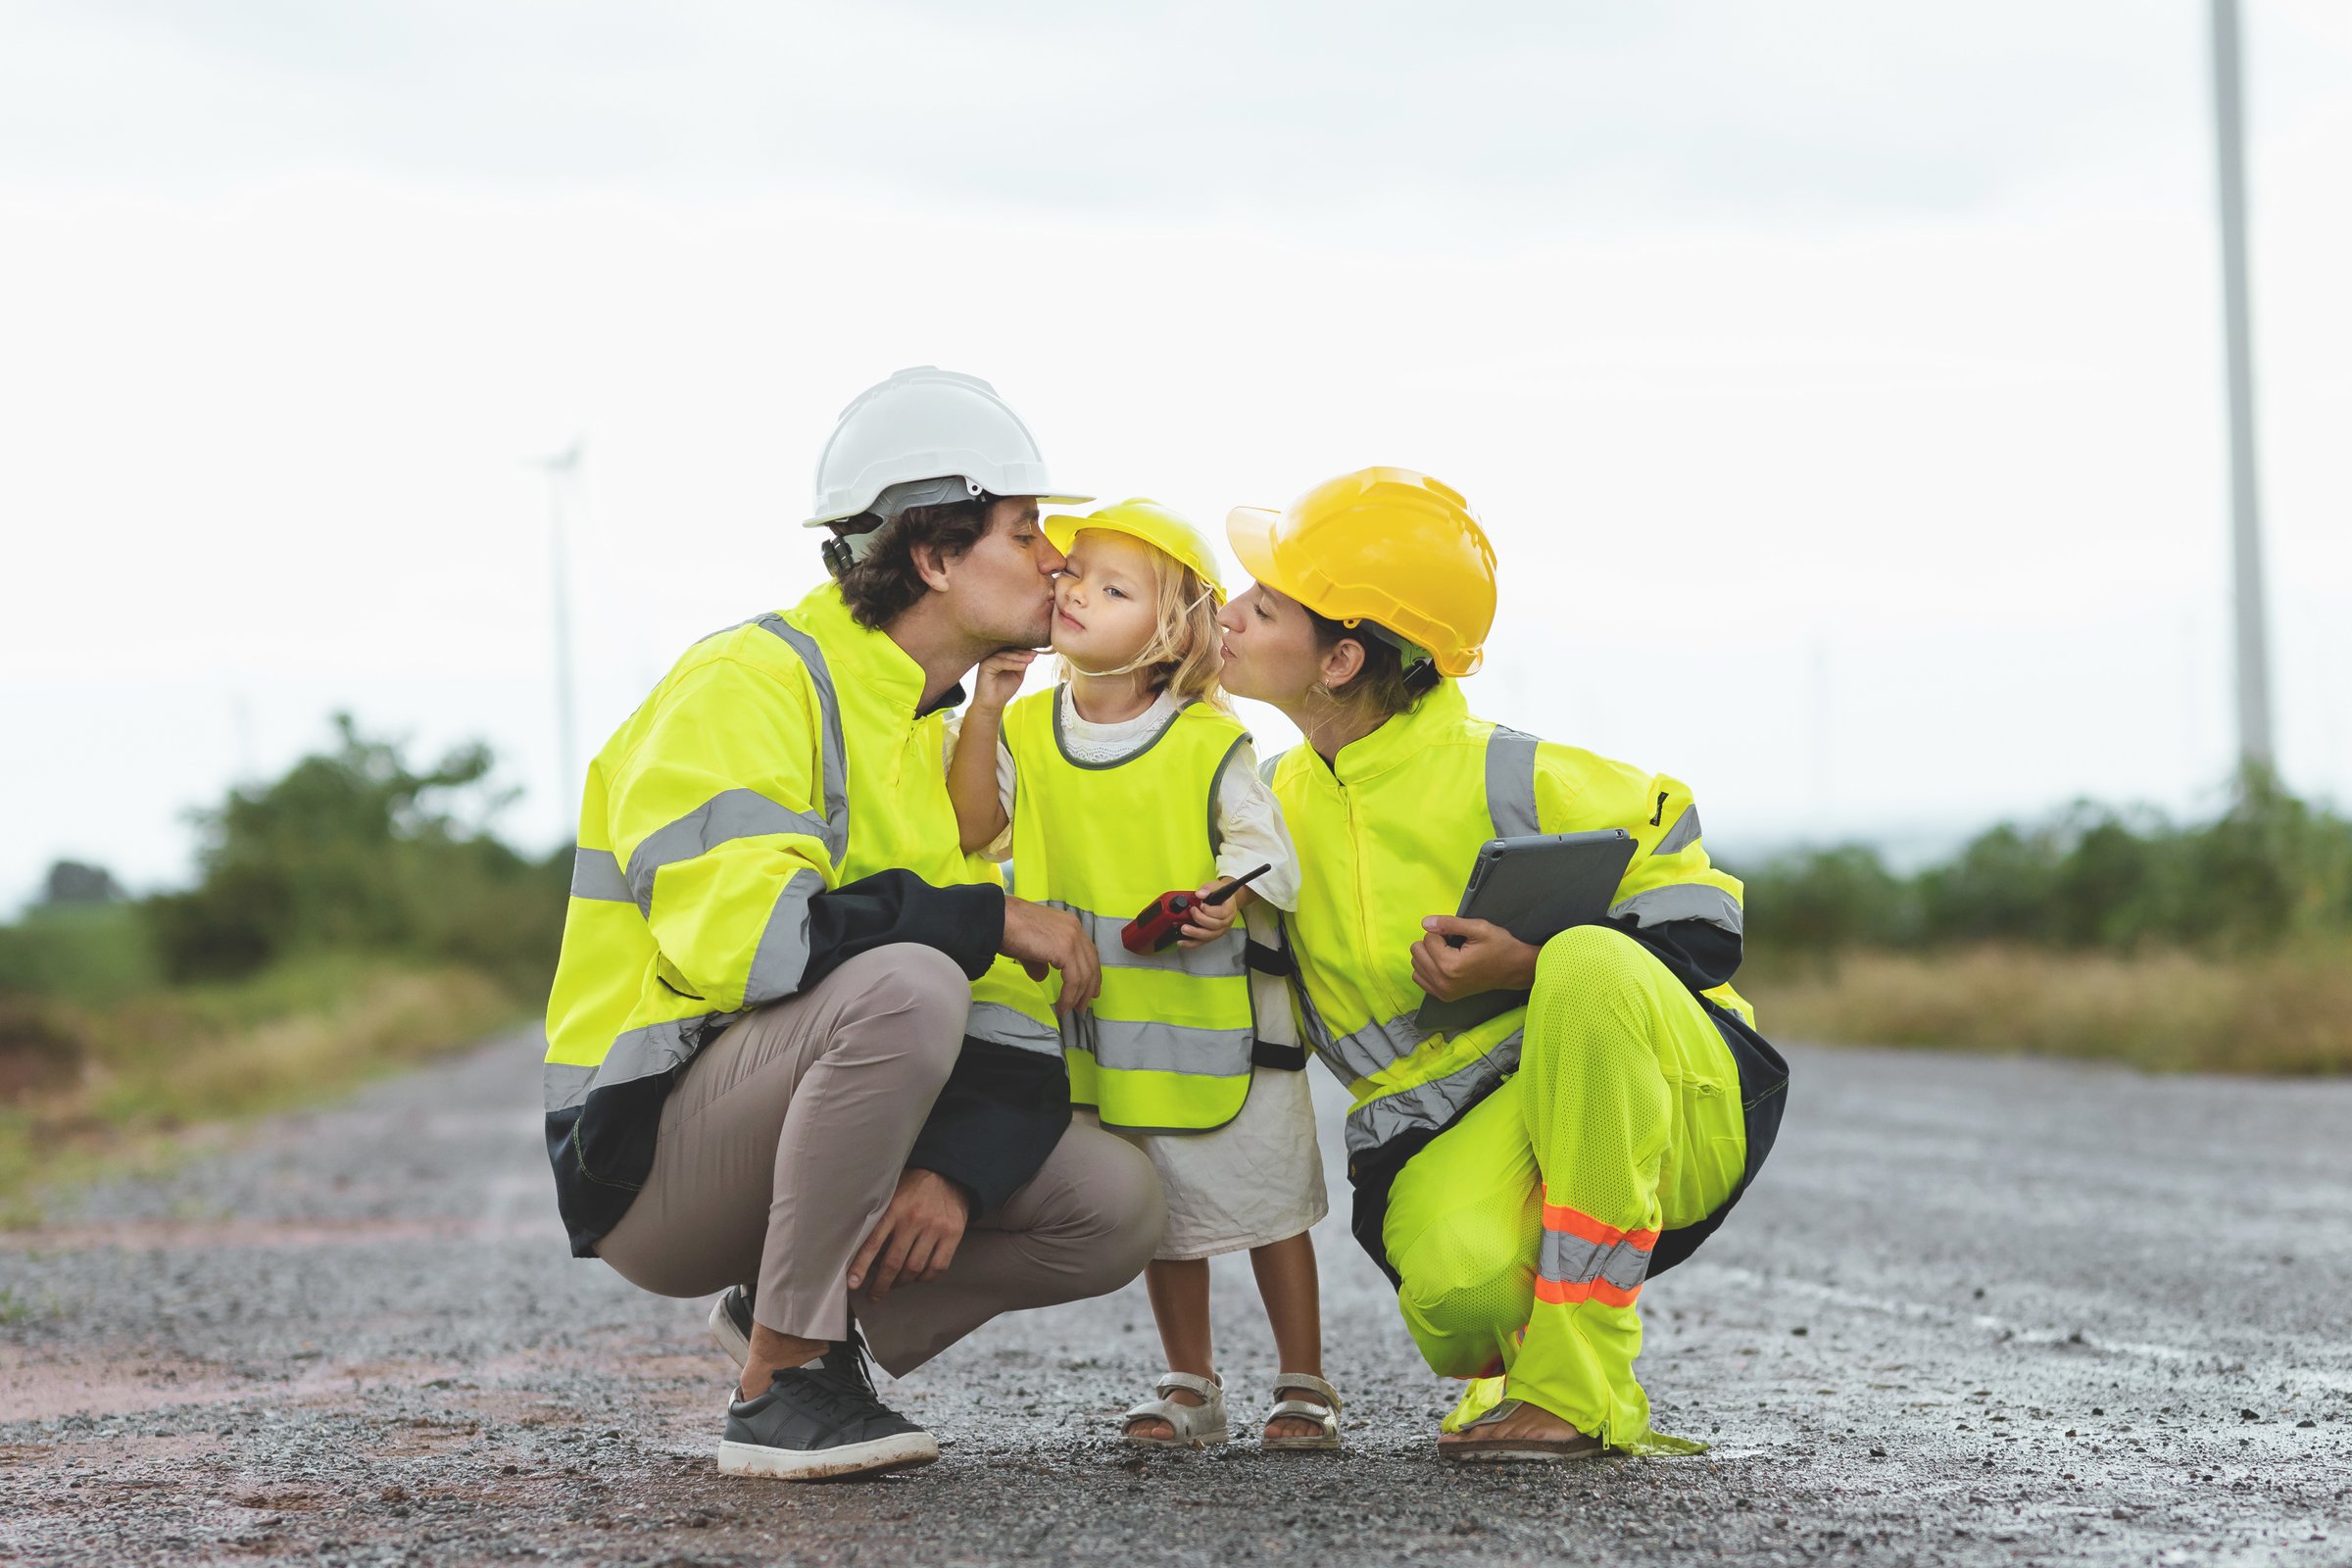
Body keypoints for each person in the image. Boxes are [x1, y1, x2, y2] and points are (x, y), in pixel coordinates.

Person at [541, 367, 1165, 1483]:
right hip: (646, 1160)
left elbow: (1006, 1016)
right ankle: (782, 1380)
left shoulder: (925, 733)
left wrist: (959, 1174)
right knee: (913, 978)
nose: (1058, 560)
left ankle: (792, 1308)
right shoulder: (750, 682)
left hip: (775, 1141)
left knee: (1114, 1207)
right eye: (1028, 532)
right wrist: (986, 916)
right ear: (932, 553)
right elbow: (760, 945)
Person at [1213, 466, 1788, 1461]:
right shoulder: (1267, 802)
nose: (1230, 614)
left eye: (1262, 605)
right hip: (1459, 1124)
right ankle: (1519, 1372)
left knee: (1587, 966)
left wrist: (1528, 962)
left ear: (1340, 656)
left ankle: (1579, 1387)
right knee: (1461, 1296)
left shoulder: (1508, 771)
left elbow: (1699, 904)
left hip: (1673, 1100)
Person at [946, 498, 1339, 1451]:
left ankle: (1305, 1382)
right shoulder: (1030, 729)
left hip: (1229, 1033)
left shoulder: (1210, 740)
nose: (1075, 589)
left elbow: (1268, 853)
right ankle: (1190, 1382)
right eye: (1075, 573)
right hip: (1104, 1037)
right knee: (1168, 1217)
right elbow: (969, 827)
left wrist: (1224, 895)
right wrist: (987, 703)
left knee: (1266, 1212)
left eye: (1111, 587)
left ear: (1168, 632)